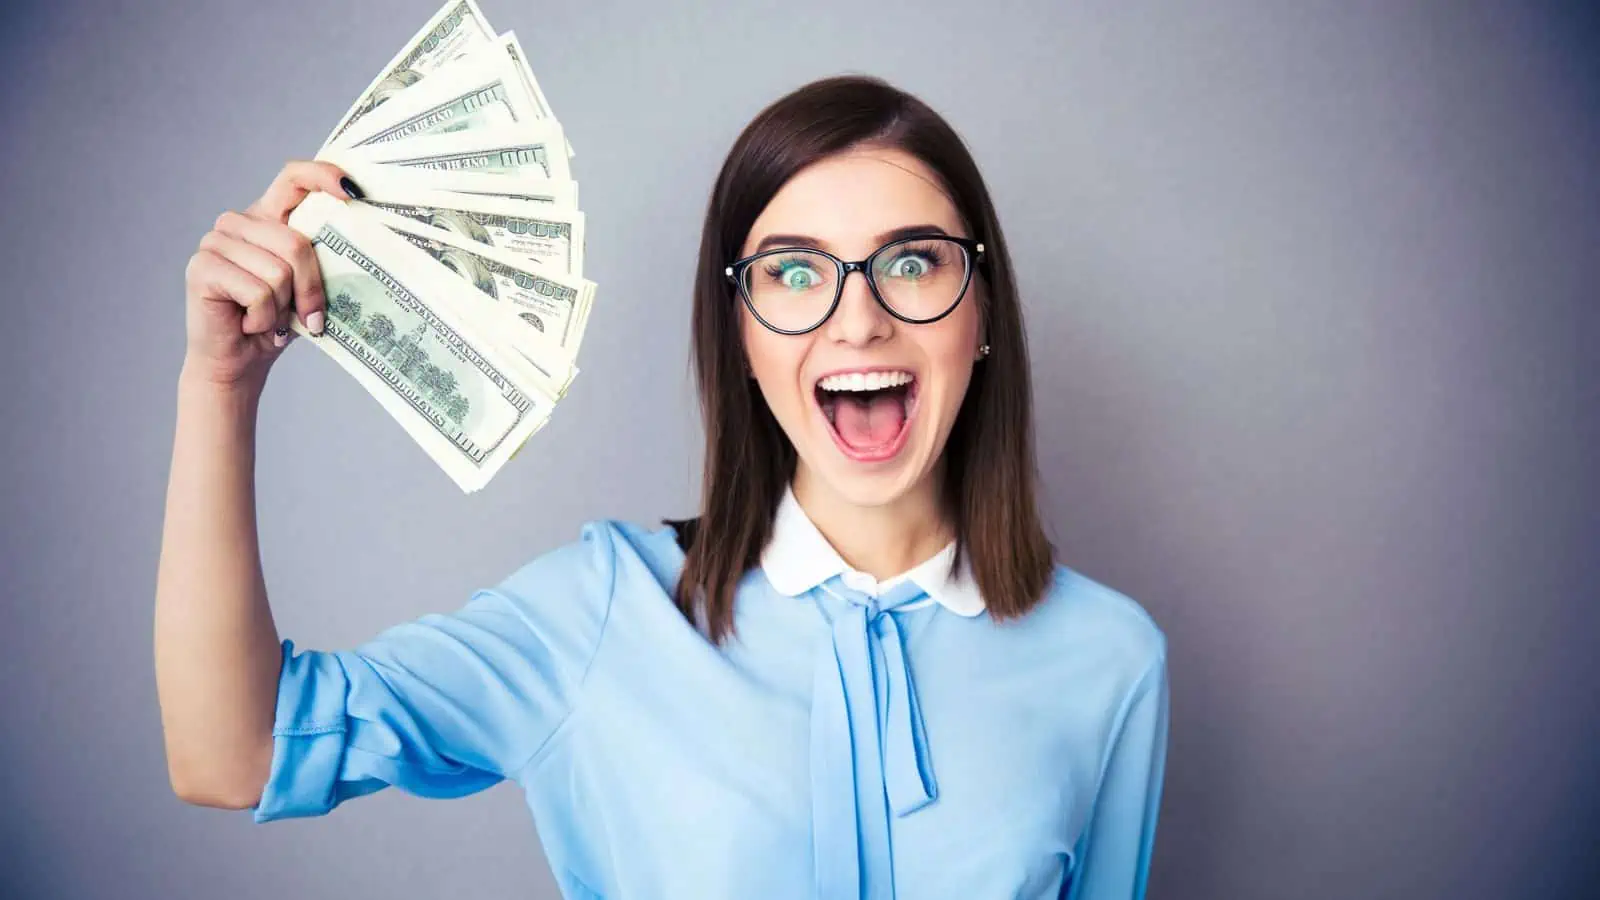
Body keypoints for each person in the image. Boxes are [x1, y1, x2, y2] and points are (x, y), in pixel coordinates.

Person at [154, 74, 1170, 900]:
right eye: (794, 273)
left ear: (981, 310)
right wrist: (221, 383)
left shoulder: (1110, 660)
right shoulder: (601, 611)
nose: (858, 321)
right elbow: (234, 754)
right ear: (738, 334)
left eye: (909, 261)